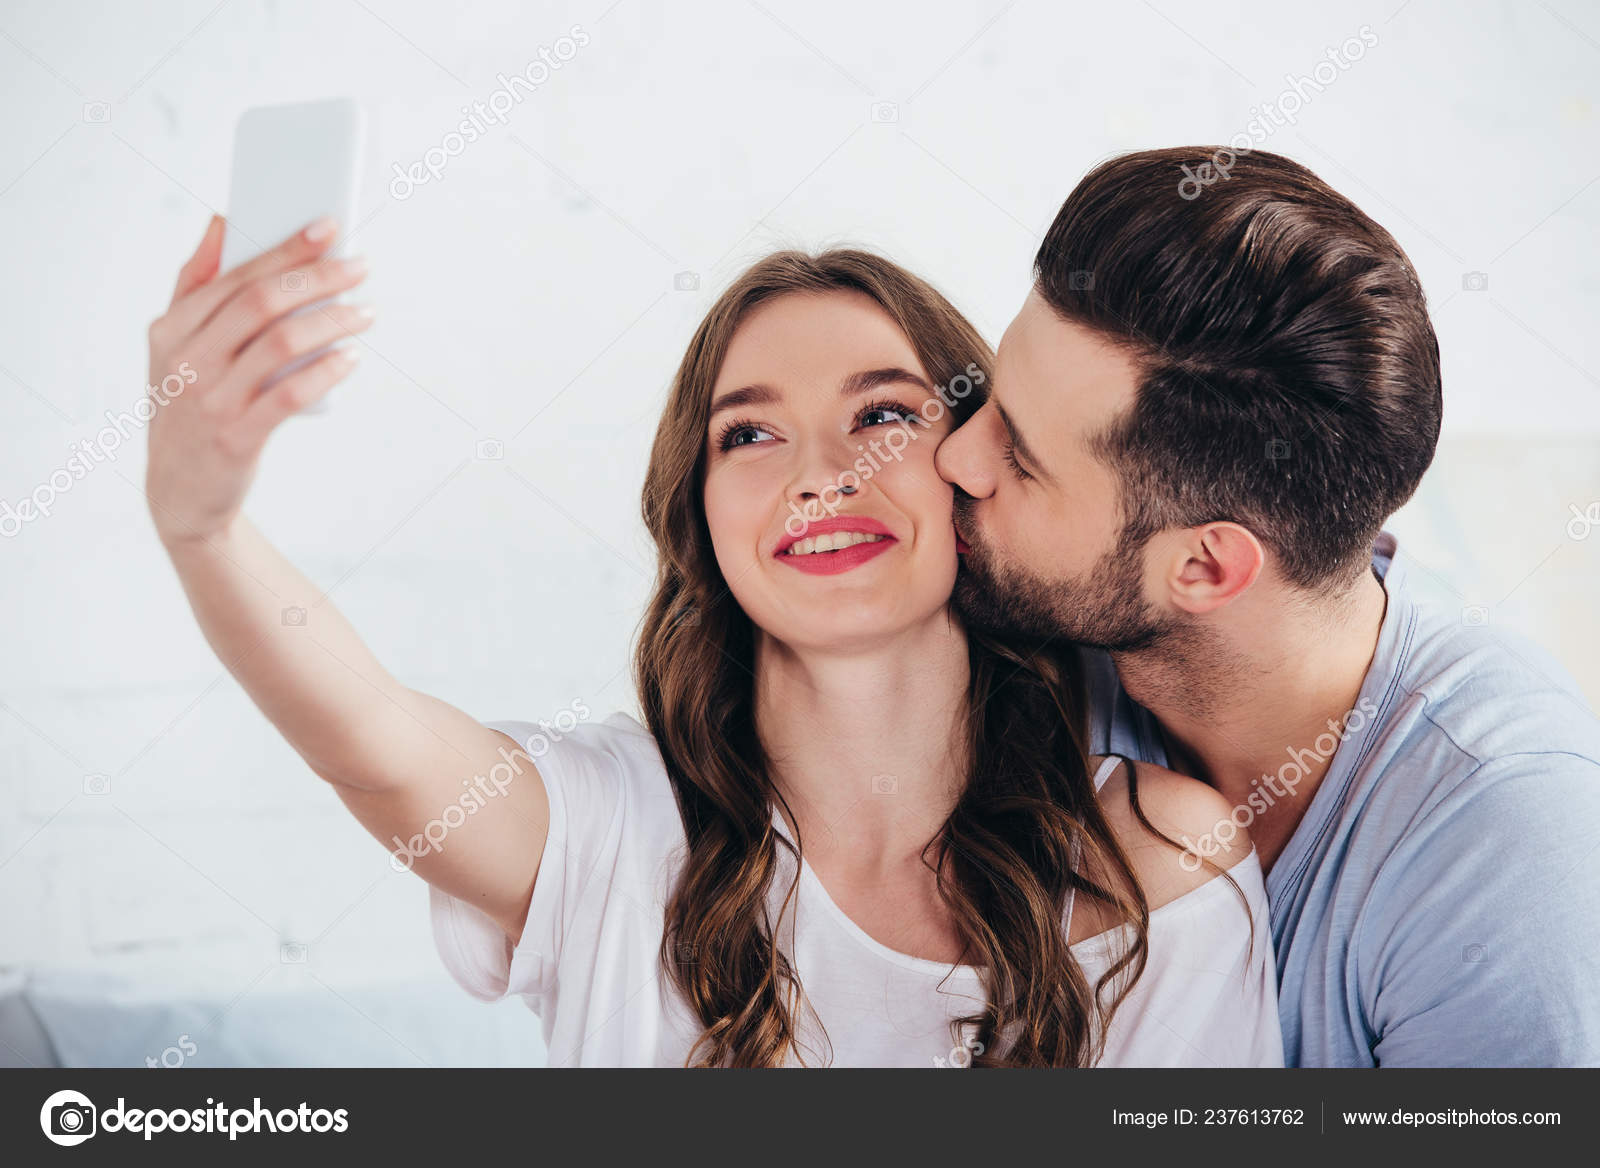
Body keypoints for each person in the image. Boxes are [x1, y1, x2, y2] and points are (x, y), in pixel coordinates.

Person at [143, 216, 1281, 1067]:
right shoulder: (604, 829)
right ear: (702, 513)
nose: (820, 475)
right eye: (749, 433)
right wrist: (201, 524)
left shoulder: (1153, 859)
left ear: (975, 466)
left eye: (883, 413)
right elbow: (375, 745)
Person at [935, 146, 1600, 1067]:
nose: (956, 460)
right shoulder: (1023, 651)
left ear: (1207, 569)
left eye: (1021, 459)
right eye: (986, 403)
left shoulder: (1505, 849)